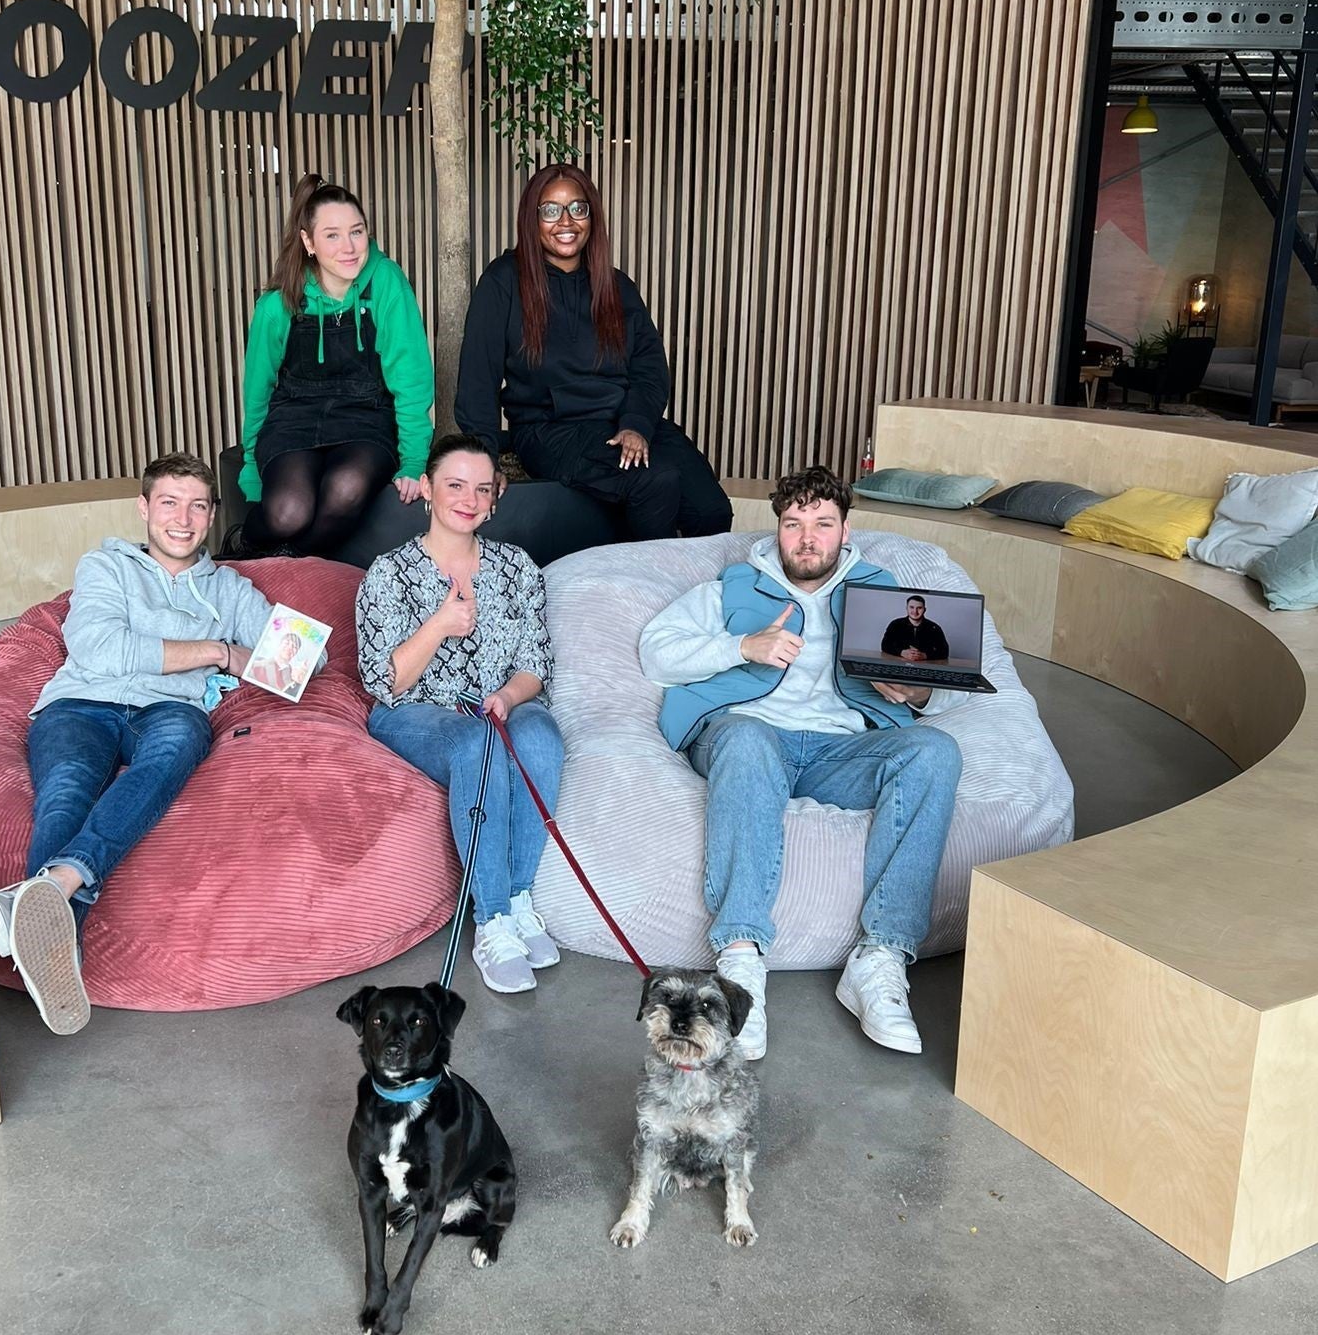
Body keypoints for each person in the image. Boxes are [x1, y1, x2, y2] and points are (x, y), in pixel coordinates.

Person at [637, 465, 963, 1062]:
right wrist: (742, 647)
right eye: (794, 524)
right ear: (778, 528)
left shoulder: (882, 591)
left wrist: (915, 693)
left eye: (823, 524)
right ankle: (740, 962)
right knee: (749, 739)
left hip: (841, 749)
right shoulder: (736, 585)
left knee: (935, 751)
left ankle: (880, 958)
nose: (807, 538)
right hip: (749, 736)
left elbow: (947, 684)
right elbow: (656, 651)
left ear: (845, 529)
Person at [0, 452, 299, 1035]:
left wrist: (259, 648)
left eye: (198, 506)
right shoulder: (106, 567)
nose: (183, 519)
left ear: (211, 514)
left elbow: (303, 662)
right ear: (144, 508)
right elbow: (100, 650)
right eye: (169, 503)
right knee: (65, 794)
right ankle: (56, 949)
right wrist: (215, 651)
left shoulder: (228, 589)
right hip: (80, 703)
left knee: (177, 747)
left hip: (169, 711)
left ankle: (48, 891)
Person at [357, 432, 566, 997]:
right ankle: (492, 916)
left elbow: (535, 664)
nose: (468, 499)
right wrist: (439, 626)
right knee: (479, 746)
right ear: (427, 489)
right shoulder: (390, 572)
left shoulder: (515, 567)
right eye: (454, 485)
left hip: (497, 704)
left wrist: (508, 698)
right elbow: (384, 679)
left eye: (482, 489)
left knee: (542, 737)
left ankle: (520, 897)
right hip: (416, 712)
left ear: (495, 498)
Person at [455, 164, 732, 542]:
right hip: (551, 430)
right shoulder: (503, 281)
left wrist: (635, 423)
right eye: (550, 210)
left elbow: (650, 368)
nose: (565, 221)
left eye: (577, 209)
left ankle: (694, 598)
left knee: (711, 509)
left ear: (592, 215)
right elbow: (477, 380)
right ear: (531, 218)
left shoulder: (616, 285)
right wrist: (483, 461)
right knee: (654, 483)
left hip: (621, 421)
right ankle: (645, 597)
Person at [233, 172, 433, 557]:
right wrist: (252, 469)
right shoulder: (278, 305)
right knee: (287, 511)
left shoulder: (386, 282)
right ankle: (245, 548)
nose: (349, 247)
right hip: (294, 417)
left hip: (366, 417)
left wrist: (412, 461)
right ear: (308, 241)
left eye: (357, 232)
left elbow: (411, 379)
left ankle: (285, 565)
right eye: (332, 235)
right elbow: (257, 392)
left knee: (346, 489)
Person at [880, 594, 949, 664]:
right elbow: (885, 645)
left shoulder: (934, 628)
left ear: (924, 610)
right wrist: (901, 652)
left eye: (919, 608)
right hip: (899, 664)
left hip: (925, 666)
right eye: (911, 607)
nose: (915, 611)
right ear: (906, 608)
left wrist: (925, 655)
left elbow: (945, 651)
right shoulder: (895, 624)